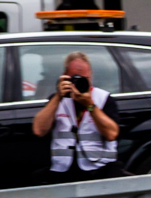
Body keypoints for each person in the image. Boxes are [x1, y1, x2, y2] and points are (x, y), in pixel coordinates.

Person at [31, 52, 121, 183]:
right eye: (75, 79)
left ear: (91, 75)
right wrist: (58, 97)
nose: (79, 83)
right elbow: (39, 130)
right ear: (65, 77)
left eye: (84, 79)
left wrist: (90, 105)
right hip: (63, 169)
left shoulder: (103, 98)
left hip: (99, 168)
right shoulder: (57, 100)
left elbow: (112, 134)